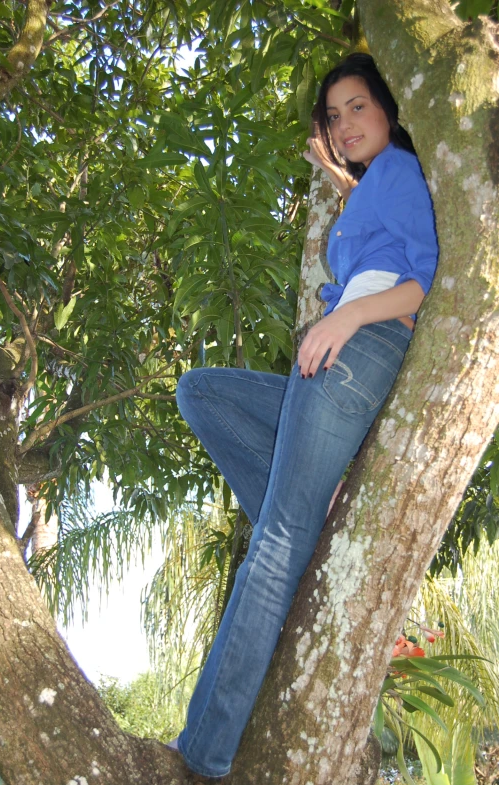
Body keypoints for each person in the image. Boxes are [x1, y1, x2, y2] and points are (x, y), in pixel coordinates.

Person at [171, 52, 438, 779]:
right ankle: (305, 543)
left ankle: (203, 752)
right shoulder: (370, 186)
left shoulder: (404, 170)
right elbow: (378, 234)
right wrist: (342, 184)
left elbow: (422, 279)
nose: (343, 123)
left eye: (357, 106)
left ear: (389, 108)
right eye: (333, 114)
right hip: (336, 358)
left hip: (359, 349)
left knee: (274, 542)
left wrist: (345, 317)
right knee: (200, 391)